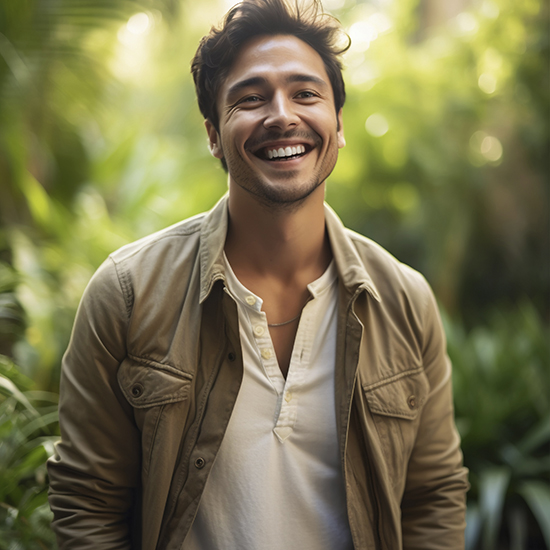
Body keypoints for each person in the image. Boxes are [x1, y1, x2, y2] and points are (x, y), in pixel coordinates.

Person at [47, 0, 469, 548]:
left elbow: (433, 495)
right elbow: (87, 501)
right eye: (250, 98)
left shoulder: (405, 301)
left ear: (338, 124)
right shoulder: (128, 294)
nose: (281, 115)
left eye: (305, 93)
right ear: (213, 135)